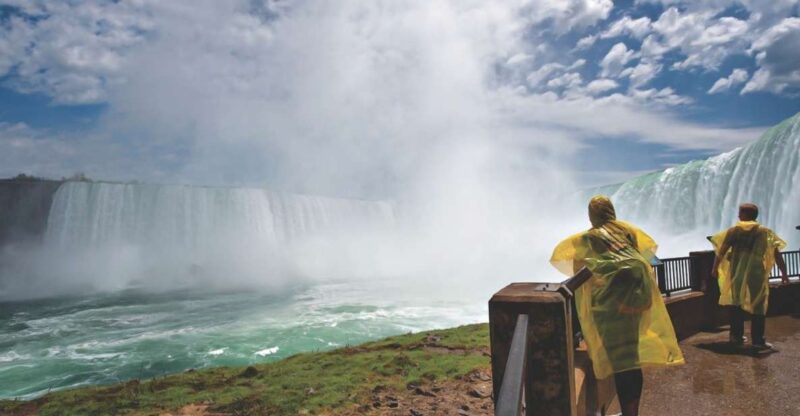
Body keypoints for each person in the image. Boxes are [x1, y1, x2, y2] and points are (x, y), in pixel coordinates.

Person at [550, 196, 684, 416]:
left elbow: (579, 271)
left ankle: (629, 414)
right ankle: (632, 411)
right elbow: (642, 254)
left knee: (621, 365)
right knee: (631, 361)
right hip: (635, 303)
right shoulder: (627, 231)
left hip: (610, 309)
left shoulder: (589, 238)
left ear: (592, 214)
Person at [710, 203, 789, 350]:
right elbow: (776, 254)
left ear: (746, 215)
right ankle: (758, 340)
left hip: (737, 273)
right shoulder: (764, 232)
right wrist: (784, 273)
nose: (738, 215)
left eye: (740, 212)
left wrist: (715, 268)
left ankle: (736, 337)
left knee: (736, 304)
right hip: (756, 273)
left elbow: (721, 251)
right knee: (758, 305)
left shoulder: (734, 231)